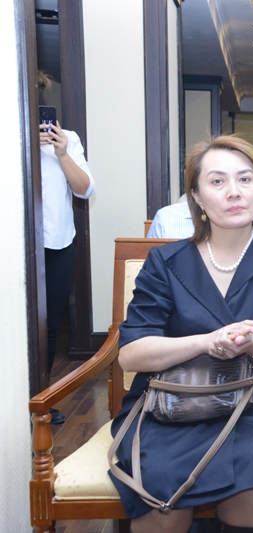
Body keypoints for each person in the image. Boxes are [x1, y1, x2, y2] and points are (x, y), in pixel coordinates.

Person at [110, 135, 253, 533]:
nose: (234, 192)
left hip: (244, 401)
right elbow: (131, 354)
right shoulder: (165, 261)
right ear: (197, 198)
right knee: (161, 493)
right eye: (218, 181)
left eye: (245, 179)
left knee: (251, 485)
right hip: (163, 404)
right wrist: (207, 342)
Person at [38, 71, 96, 425]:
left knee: (48, 326)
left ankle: (41, 400)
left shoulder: (68, 139)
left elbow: (85, 189)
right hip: (15, 248)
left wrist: (60, 153)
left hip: (57, 242)